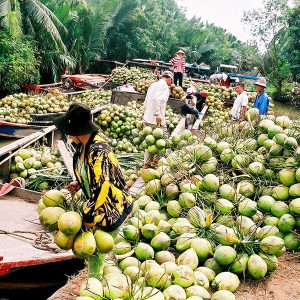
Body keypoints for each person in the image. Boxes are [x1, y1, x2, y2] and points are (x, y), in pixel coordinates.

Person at [53, 104, 132, 273]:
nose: (66, 134)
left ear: (76, 130)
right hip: (97, 206)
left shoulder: (100, 151)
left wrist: (88, 216)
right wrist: (80, 183)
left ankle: (93, 287)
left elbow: (102, 187)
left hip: (112, 207)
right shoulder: (82, 146)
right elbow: (92, 174)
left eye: (68, 130)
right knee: (94, 251)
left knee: (95, 253)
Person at [143, 71, 173, 167]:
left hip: (147, 118)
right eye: (171, 81)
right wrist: (157, 114)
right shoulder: (164, 86)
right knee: (163, 141)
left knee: (149, 142)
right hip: (155, 119)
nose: (171, 83)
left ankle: (147, 164)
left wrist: (146, 113)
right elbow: (156, 99)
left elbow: (146, 100)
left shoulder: (153, 84)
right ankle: (156, 163)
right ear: (169, 78)